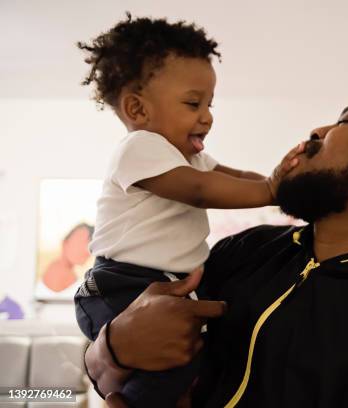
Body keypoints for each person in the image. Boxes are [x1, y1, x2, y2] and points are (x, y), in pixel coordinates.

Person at [84, 51, 348, 407]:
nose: (318, 131)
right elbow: (107, 371)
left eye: (344, 122)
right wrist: (112, 349)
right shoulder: (241, 254)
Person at [73, 14, 302, 408]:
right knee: (176, 363)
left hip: (157, 281)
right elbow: (200, 191)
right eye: (193, 103)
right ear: (137, 109)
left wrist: (281, 185)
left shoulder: (188, 159)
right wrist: (271, 189)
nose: (208, 116)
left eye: (210, 104)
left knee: (187, 363)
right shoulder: (140, 148)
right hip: (118, 283)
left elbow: (234, 175)